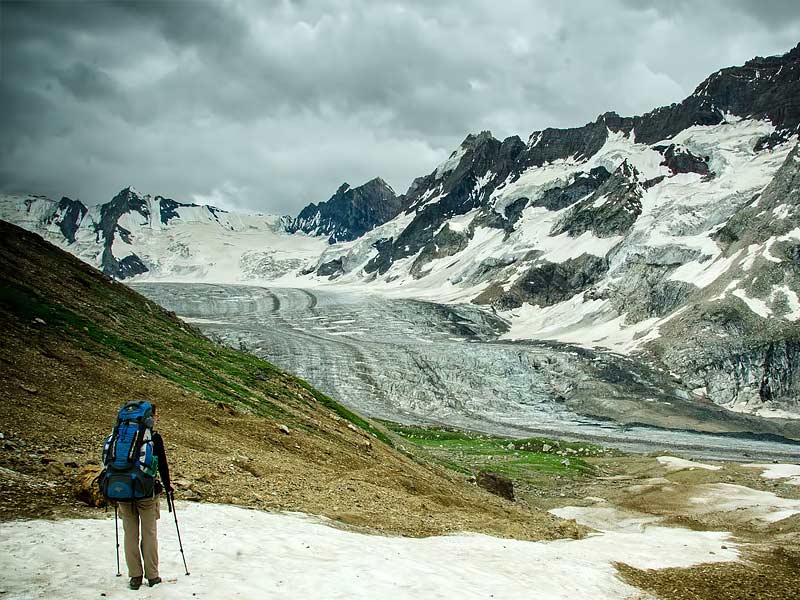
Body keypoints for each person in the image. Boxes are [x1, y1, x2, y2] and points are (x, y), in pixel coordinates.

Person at [117, 404, 173, 590]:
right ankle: (152, 576)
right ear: (150, 417)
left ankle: (135, 577)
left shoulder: (120, 435)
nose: (157, 418)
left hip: (122, 490)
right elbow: (162, 465)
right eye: (156, 415)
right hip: (146, 492)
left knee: (130, 534)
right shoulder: (154, 438)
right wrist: (168, 486)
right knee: (149, 534)